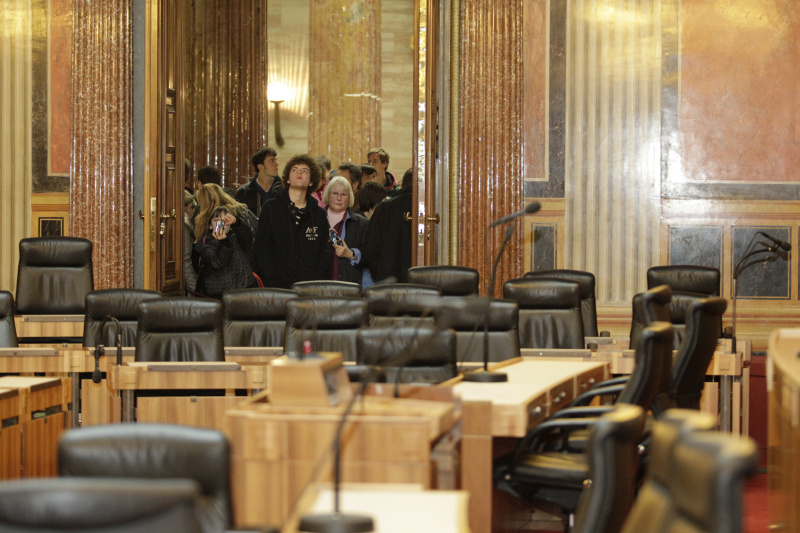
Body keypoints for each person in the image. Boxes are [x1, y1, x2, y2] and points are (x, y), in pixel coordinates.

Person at [254, 154, 332, 288]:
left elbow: (324, 253)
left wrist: (317, 280)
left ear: (311, 181)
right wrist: (270, 278)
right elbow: (262, 248)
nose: (299, 172)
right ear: (288, 179)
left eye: (305, 171)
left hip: (309, 287)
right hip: (276, 285)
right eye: (294, 170)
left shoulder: (318, 214)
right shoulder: (271, 208)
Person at [194, 206, 258, 298]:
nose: (221, 224)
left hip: (245, 292)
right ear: (210, 226)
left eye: (225, 221)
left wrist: (237, 221)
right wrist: (224, 242)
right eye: (217, 220)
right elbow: (218, 262)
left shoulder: (238, 238)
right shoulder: (206, 243)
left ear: (231, 226)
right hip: (219, 296)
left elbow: (247, 236)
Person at [364, 168, 413, 283]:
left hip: (388, 282)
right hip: (423, 285)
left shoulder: (384, 207)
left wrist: (381, 274)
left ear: (403, 185)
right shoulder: (430, 210)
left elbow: (371, 248)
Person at [323, 176, 368, 284]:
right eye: (334, 193)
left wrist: (350, 254)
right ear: (328, 195)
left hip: (349, 288)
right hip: (318, 286)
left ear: (349, 198)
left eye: (343, 194)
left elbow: (370, 258)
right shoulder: (315, 220)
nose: (338, 198)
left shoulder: (362, 224)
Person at [354, 181, 387, 288]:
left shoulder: (378, 221)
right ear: (375, 202)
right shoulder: (359, 223)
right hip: (363, 275)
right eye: (384, 201)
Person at [235, 147, 282, 216]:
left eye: (276, 160)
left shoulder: (284, 190)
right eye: (272, 161)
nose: (277, 164)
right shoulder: (243, 192)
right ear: (260, 167)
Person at [183, 190, 199, 294]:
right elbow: (185, 259)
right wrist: (195, 288)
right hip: (187, 283)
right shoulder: (185, 225)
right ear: (190, 206)